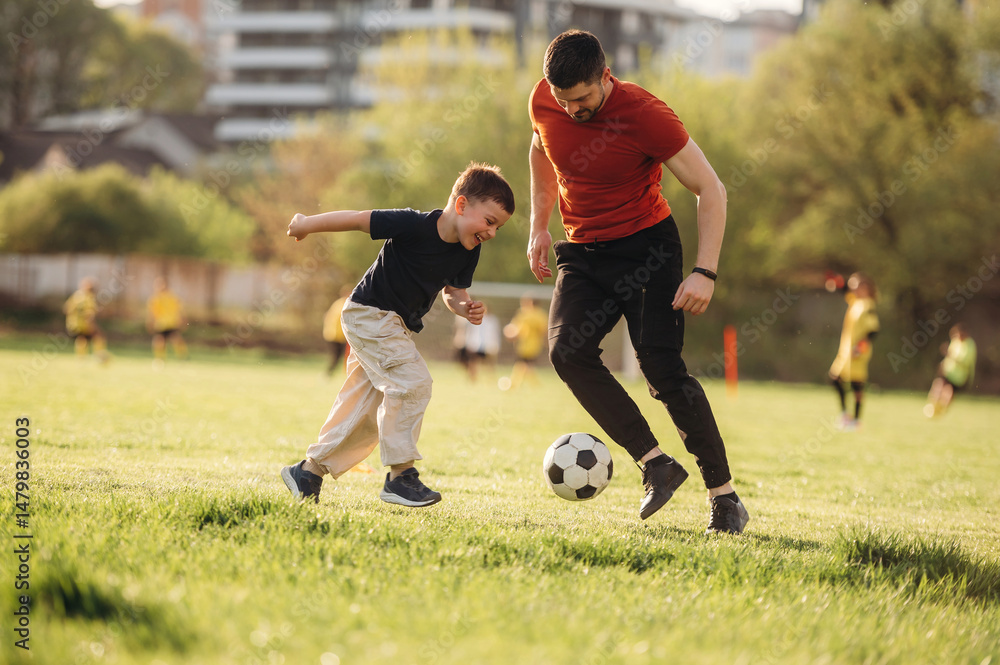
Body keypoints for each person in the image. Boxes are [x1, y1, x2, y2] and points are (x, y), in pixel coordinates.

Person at [527, 30, 748, 534]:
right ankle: (655, 464)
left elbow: (710, 188)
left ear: (606, 76)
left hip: (647, 249)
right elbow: (539, 149)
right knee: (567, 353)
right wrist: (540, 226)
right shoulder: (546, 100)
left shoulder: (647, 114)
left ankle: (724, 497)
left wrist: (704, 270)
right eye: (564, 100)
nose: (573, 109)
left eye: (582, 98)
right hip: (583, 252)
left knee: (661, 369)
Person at [280, 162, 515, 507]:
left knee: (365, 409)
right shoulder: (413, 224)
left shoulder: (468, 248)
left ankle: (308, 471)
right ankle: (400, 477)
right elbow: (359, 219)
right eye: (490, 221)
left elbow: (454, 292)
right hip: (368, 314)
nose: (492, 233)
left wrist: (464, 307)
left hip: (393, 327)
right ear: (462, 205)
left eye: (498, 228)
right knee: (413, 382)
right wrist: (306, 224)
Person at [828, 272, 879, 431]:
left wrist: (859, 348)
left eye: (855, 286)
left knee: (857, 385)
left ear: (865, 287)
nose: (852, 289)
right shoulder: (855, 301)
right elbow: (844, 291)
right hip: (846, 350)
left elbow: (874, 331)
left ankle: (856, 421)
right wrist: (837, 282)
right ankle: (845, 415)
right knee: (835, 378)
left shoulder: (868, 306)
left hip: (858, 351)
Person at [924, 324, 976, 418]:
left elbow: (965, 362)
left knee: (948, 392)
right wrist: (943, 364)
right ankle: (932, 407)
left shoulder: (969, 344)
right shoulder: (955, 341)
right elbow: (949, 357)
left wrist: (950, 355)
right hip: (948, 371)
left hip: (959, 376)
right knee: (938, 385)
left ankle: (940, 411)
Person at [502, 296, 548, 389]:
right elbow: (545, 330)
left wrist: (510, 335)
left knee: (524, 364)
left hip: (526, 345)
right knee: (524, 364)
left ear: (530, 302)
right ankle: (517, 384)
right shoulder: (542, 314)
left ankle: (516, 384)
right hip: (533, 345)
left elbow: (514, 328)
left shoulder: (524, 313)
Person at [64, 277, 110, 363]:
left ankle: (81, 358)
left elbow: (66, 309)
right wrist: (91, 323)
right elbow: (89, 313)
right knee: (99, 337)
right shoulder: (89, 297)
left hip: (73, 324)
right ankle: (99, 356)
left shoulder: (76, 295)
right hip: (85, 324)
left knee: (82, 339)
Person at [146, 277, 188, 366]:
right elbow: (152, 313)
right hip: (161, 324)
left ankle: (183, 357)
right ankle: (160, 359)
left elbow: (179, 309)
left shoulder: (172, 297)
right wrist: (150, 322)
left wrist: (182, 319)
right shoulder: (155, 299)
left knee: (176, 340)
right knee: (159, 342)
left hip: (171, 322)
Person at [322, 285, 353, 376]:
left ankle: (332, 373)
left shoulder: (338, 303)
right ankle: (328, 373)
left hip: (338, 335)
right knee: (336, 356)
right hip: (335, 335)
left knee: (339, 356)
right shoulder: (344, 304)